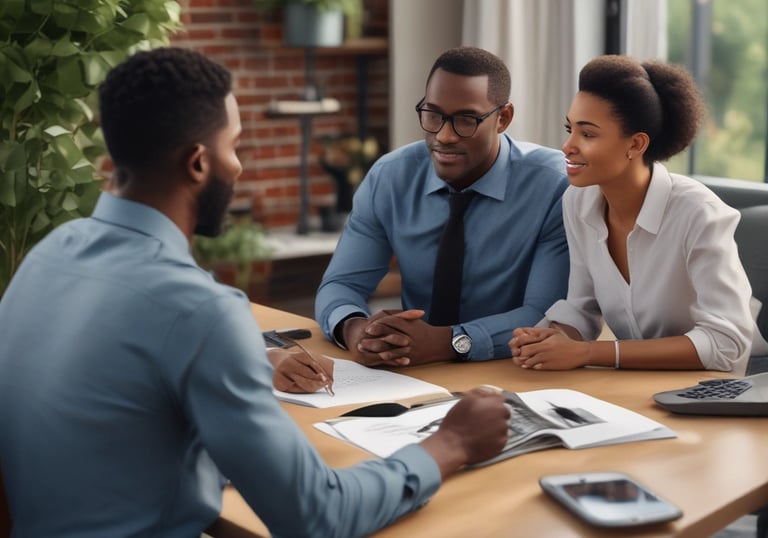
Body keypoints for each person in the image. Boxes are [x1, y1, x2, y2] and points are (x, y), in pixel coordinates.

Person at [0, 47, 512, 538]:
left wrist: (255, 355)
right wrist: (451, 443)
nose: (239, 166)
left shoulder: (48, 255)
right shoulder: (200, 311)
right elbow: (317, 516)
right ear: (198, 163)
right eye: (235, 145)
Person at [315, 46, 570, 367]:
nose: (444, 136)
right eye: (433, 114)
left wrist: (450, 342)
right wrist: (356, 330)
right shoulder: (390, 176)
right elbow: (342, 284)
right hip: (411, 370)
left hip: (514, 370)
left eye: (465, 119)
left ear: (503, 118)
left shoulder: (554, 186)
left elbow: (545, 315)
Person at [509, 54, 757, 374]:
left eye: (587, 134)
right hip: (636, 385)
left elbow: (727, 343)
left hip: (717, 389)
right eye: (569, 129)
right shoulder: (578, 202)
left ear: (636, 144)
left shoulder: (700, 214)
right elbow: (581, 307)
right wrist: (550, 337)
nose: (567, 146)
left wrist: (587, 352)